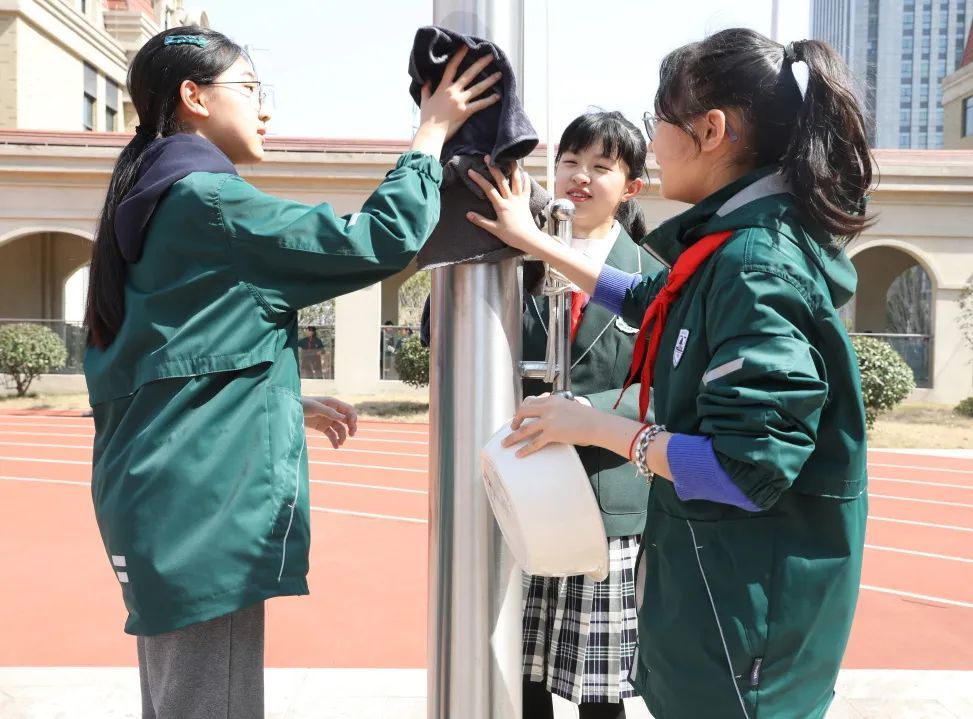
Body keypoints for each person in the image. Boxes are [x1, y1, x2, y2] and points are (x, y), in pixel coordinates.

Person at [83, 25, 500, 719]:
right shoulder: (208, 202)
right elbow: (375, 240)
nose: (265, 110)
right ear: (193, 97)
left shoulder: (149, 206)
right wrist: (430, 135)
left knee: (181, 699)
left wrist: (280, 398)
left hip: (160, 503)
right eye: (251, 90)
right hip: (203, 513)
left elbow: (164, 360)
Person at [468, 29, 871, 719]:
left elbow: (748, 466)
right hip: (723, 611)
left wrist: (603, 428)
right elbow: (652, 300)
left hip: (743, 630)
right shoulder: (728, 246)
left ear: (710, 130)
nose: (651, 146)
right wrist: (535, 241)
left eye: (657, 124)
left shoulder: (753, 262)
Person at [518, 111, 663, 719]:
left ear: (629, 186)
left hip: (606, 497)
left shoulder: (652, 274)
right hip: (521, 487)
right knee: (518, 678)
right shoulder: (512, 261)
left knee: (598, 691)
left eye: (601, 167)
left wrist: (586, 414)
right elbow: (439, 333)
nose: (580, 177)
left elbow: (664, 387)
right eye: (570, 162)